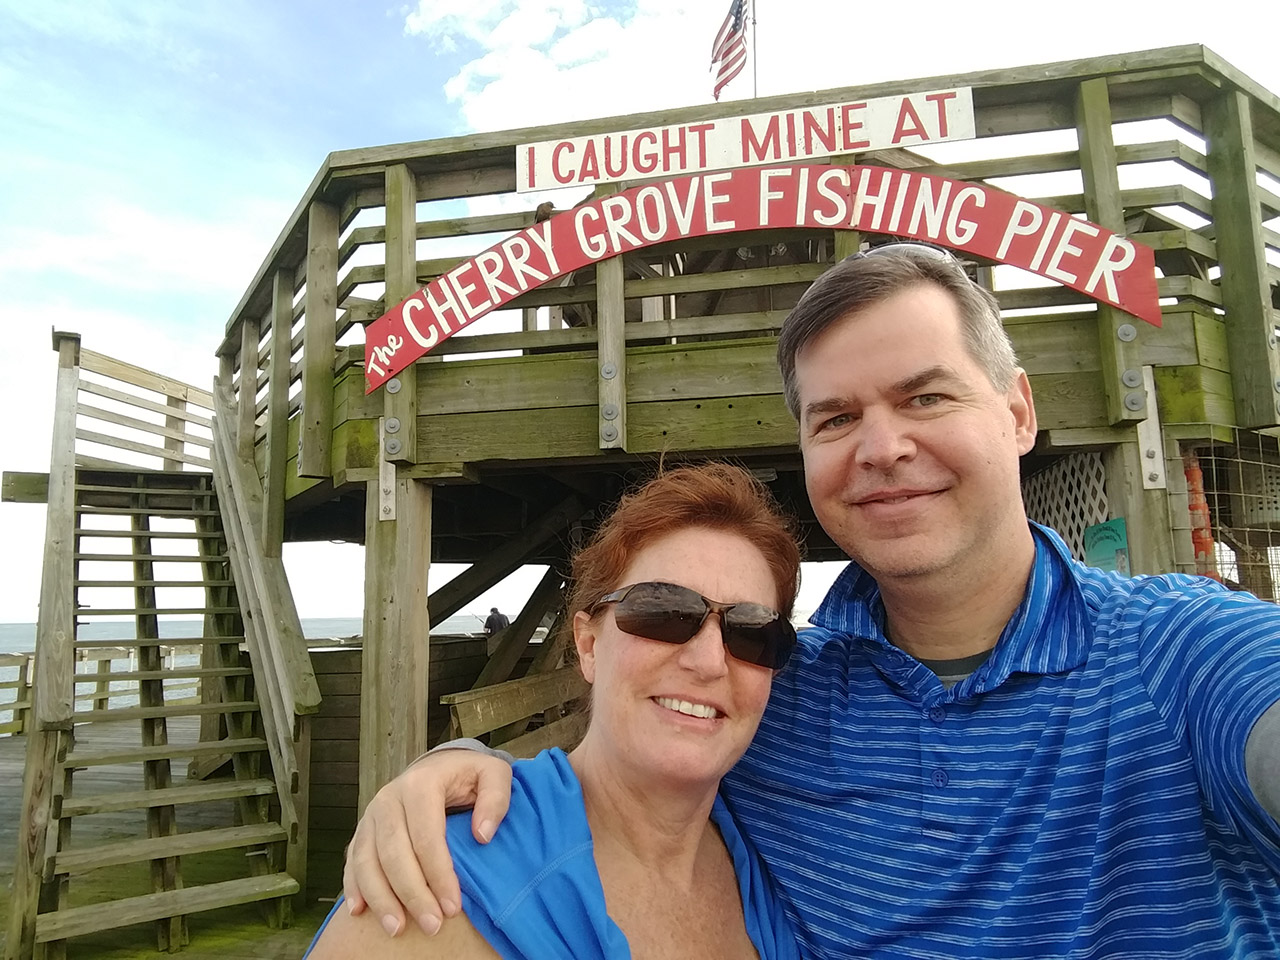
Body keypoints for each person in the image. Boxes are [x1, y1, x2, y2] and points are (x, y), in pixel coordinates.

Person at [341, 245, 1280, 958]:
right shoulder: (779, 696)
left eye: (926, 398)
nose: (882, 447)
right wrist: (454, 767)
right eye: (837, 417)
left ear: (1019, 412)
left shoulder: (1183, 651)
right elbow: (629, 766)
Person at [308, 463, 802, 959]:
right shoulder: (436, 885)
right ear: (588, 645)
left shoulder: (777, 861)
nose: (709, 661)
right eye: (662, 611)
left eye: (754, 632)